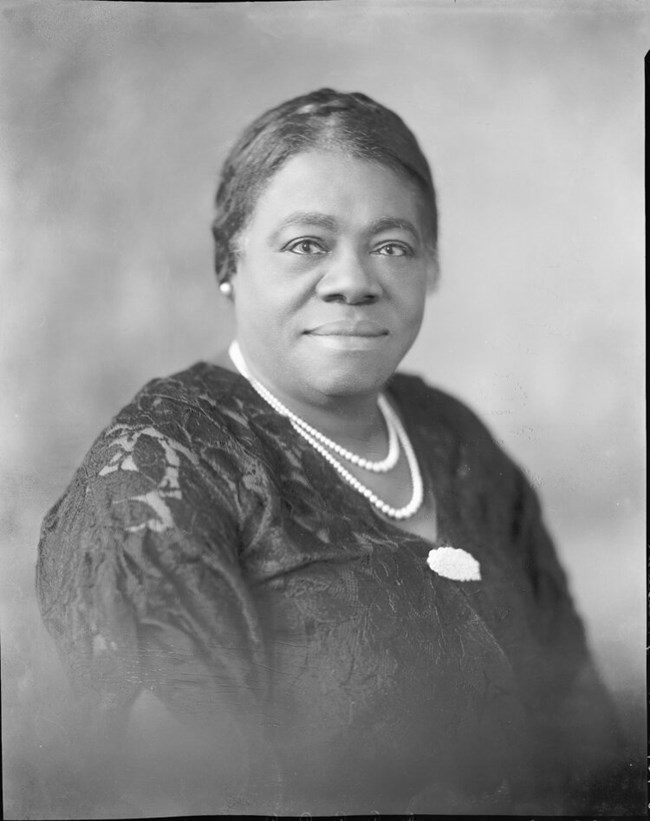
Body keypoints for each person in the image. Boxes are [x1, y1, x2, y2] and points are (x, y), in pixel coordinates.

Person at [36, 88, 623, 816]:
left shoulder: (455, 437)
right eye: (306, 244)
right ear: (229, 262)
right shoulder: (160, 468)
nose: (353, 282)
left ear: (431, 269)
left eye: (392, 246)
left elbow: (587, 729)